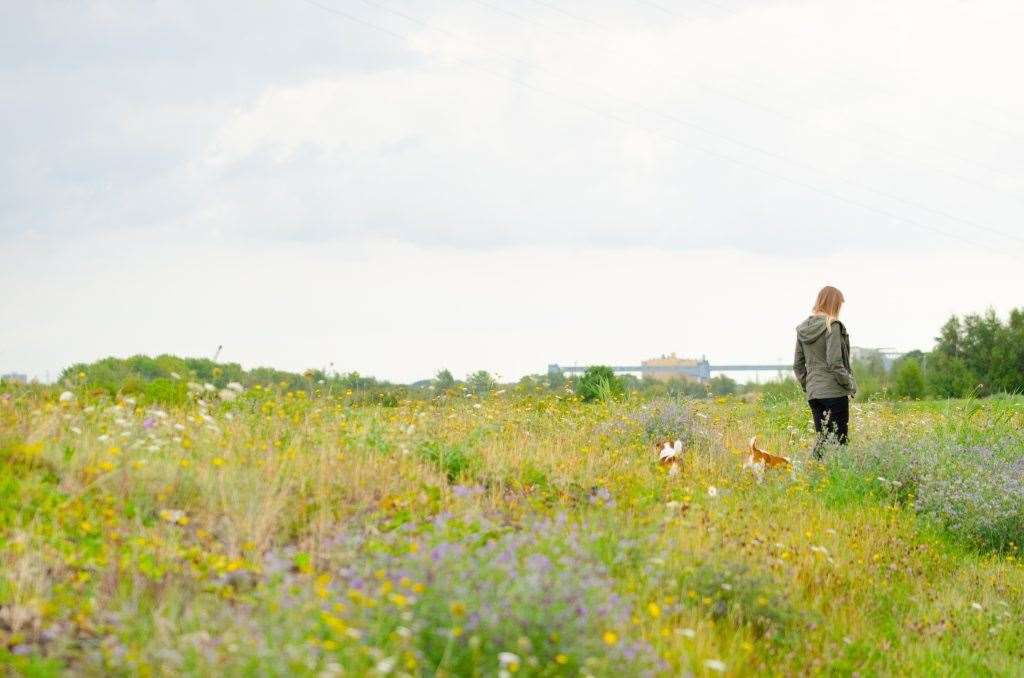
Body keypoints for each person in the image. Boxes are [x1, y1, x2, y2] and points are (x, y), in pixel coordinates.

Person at [793, 286, 856, 458]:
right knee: (840, 441)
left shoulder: (802, 329)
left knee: (823, 438)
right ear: (833, 304)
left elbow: (798, 366)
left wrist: (810, 385)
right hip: (834, 392)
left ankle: (813, 473)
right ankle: (842, 477)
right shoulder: (832, 325)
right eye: (839, 305)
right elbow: (835, 362)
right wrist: (849, 384)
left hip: (814, 393)